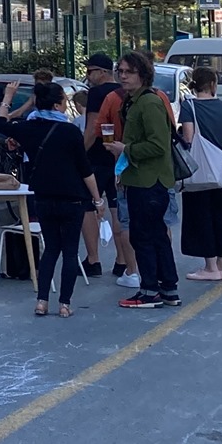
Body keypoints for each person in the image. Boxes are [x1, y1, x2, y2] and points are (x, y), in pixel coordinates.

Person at [5, 82, 105, 318]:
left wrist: (8, 97)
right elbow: (85, 170)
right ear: (59, 104)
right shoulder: (69, 131)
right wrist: (97, 200)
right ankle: (64, 304)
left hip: (43, 195)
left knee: (50, 249)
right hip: (72, 197)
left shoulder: (29, 127)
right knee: (70, 251)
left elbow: (1, 122)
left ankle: (41, 301)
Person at [115, 50, 177, 310]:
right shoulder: (134, 101)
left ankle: (150, 290)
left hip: (149, 181)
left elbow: (158, 145)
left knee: (144, 236)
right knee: (155, 234)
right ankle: (167, 288)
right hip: (142, 178)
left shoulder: (148, 103)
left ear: (143, 74)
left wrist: (126, 150)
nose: (123, 76)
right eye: (120, 71)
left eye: (129, 72)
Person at [178, 64, 222, 282]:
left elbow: (188, 137)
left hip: (198, 171)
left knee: (200, 214)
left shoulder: (189, 107)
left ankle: (210, 267)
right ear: (213, 84)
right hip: (220, 171)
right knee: (220, 215)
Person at [80, 53, 131, 284]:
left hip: (97, 157)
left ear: (102, 72)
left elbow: (92, 127)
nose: (88, 76)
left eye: (90, 71)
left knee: (87, 204)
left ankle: (93, 259)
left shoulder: (97, 93)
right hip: (118, 156)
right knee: (116, 206)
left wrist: (79, 153)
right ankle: (122, 260)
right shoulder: (124, 92)